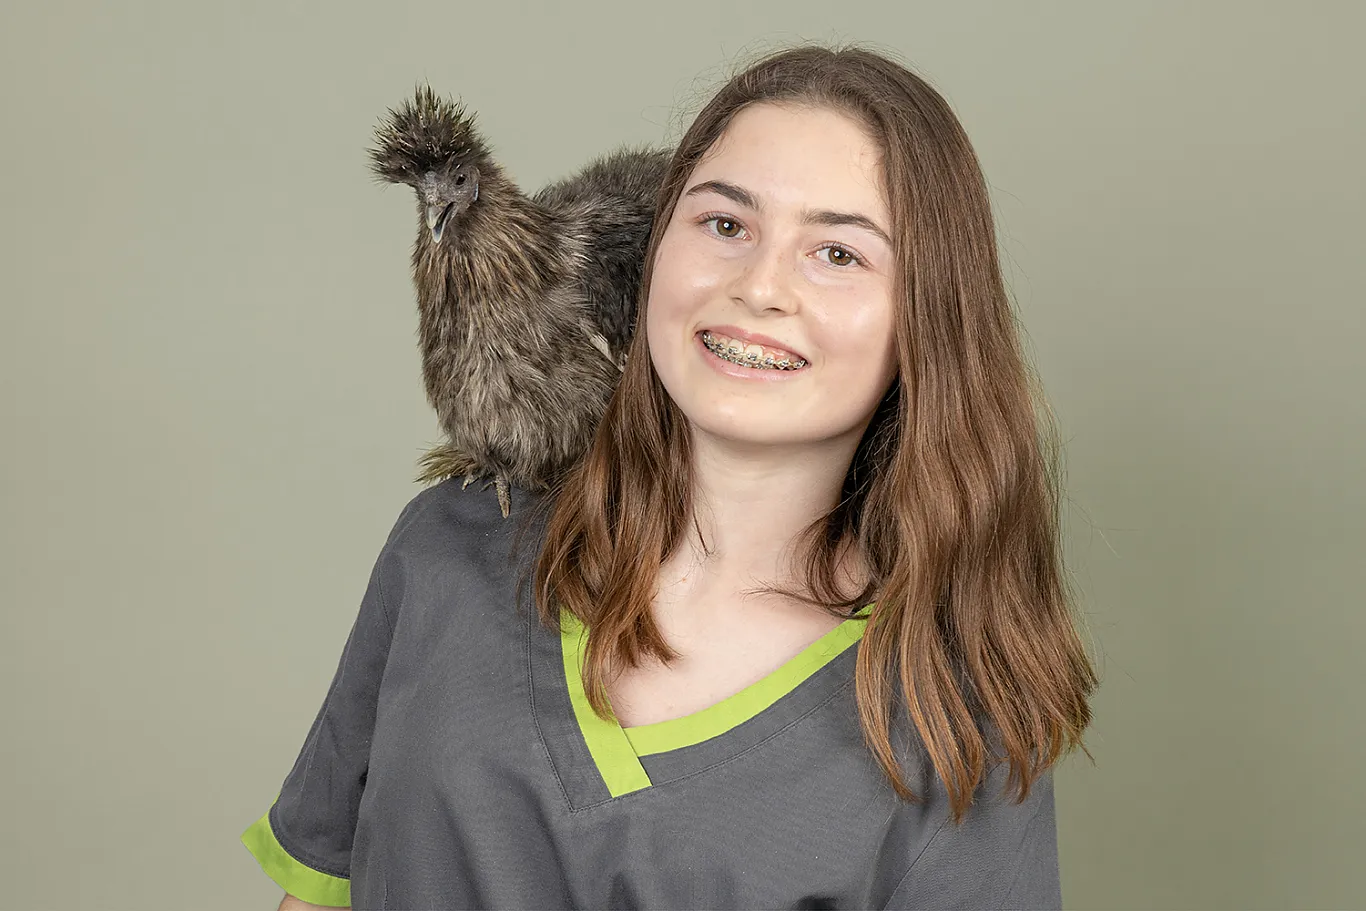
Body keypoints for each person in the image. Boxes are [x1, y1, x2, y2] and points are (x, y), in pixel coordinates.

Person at [242, 43, 1098, 910]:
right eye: (725, 225)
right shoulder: (446, 550)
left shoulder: (949, 723)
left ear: (927, 317)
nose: (760, 287)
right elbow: (316, 894)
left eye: (838, 253)